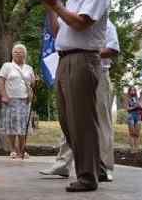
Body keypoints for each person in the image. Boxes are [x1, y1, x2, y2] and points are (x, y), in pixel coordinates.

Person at [34, 0, 110, 192]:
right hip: (65, 59)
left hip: (83, 59)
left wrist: (56, 4)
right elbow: (59, 32)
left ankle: (88, 177)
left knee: (82, 121)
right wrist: (50, 8)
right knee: (68, 121)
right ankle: (96, 167)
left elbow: (80, 24)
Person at [39, 19, 120, 181]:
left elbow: (113, 49)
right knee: (72, 119)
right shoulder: (74, 25)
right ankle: (63, 163)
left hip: (99, 74)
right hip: (76, 72)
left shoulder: (107, 25)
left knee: (101, 122)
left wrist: (86, 54)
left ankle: (103, 167)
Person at [0, 44, 36, 159]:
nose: (18, 53)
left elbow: (32, 84)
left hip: (25, 100)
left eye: (20, 52)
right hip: (11, 99)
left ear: (25, 54)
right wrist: (4, 95)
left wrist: (34, 85)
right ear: (12, 54)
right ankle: (13, 150)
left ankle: (22, 150)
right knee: (11, 125)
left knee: (23, 126)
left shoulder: (29, 68)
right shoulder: (7, 66)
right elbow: (1, 81)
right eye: (15, 52)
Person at [125, 85, 142, 152]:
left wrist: (140, 105)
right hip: (131, 116)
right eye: (131, 90)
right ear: (129, 91)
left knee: (137, 134)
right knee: (132, 133)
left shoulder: (138, 99)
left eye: (134, 90)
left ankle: (136, 149)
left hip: (138, 116)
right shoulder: (127, 98)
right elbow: (127, 108)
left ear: (135, 91)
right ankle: (132, 149)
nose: (133, 91)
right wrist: (135, 107)